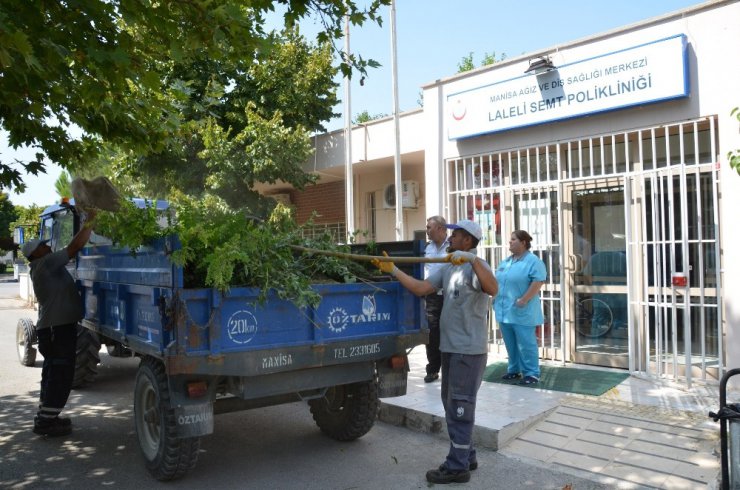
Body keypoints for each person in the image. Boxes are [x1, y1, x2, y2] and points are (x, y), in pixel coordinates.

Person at [372, 219, 498, 484]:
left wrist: (473, 261)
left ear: (468, 241)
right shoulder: (448, 267)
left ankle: (456, 468)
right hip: (449, 348)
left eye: (456, 235)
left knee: (460, 406)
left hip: (468, 350)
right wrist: (393, 269)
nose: (450, 238)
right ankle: (467, 455)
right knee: (452, 404)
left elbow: (493, 288)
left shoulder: (476, 266)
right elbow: (421, 288)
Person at [23, 209, 97, 437]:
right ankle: (45, 423)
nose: (48, 246)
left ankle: (46, 416)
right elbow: (73, 248)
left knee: (52, 374)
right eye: (43, 245)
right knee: (60, 376)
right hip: (56, 330)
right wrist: (90, 222)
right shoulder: (44, 264)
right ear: (36, 253)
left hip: (54, 329)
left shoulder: (44, 265)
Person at [493, 230, 547, 386]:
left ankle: (532, 373)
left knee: (526, 343)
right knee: (510, 343)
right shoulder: (506, 262)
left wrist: (524, 299)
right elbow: (499, 281)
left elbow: (538, 281)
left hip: (522, 311)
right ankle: (514, 369)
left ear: (523, 242)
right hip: (505, 311)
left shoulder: (533, 261)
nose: (509, 242)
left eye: (513, 239)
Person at [422, 215, 450, 383]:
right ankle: (432, 369)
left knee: (449, 332)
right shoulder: (427, 248)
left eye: (429, 227)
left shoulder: (452, 247)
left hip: (449, 295)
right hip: (432, 296)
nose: (427, 231)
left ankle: (449, 369)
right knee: (432, 333)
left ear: (440, 228)